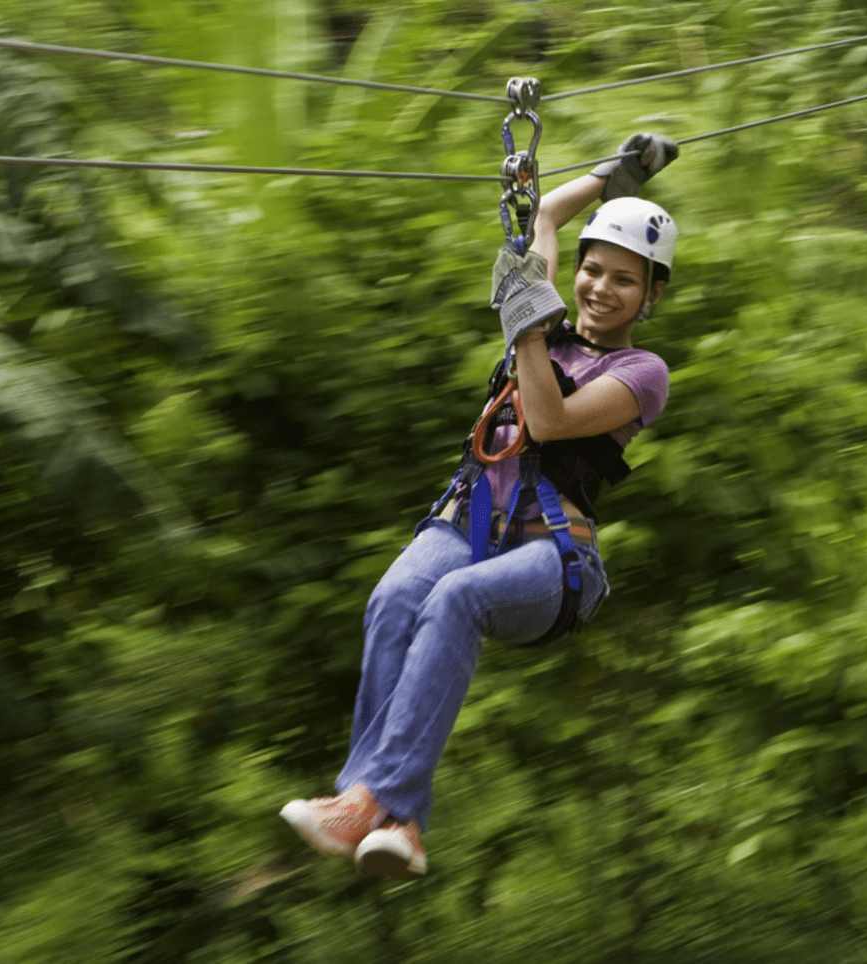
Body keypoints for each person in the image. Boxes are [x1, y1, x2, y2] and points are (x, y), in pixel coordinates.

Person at [280, 132, 680, 879]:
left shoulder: (642, 371)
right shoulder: (551, 325)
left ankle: (376, 801)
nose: (598, 288)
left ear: (651, 295)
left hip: (553, 556)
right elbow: (547, 223)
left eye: (625, 281)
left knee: (457, 599)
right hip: (471, 515)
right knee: (396, 597)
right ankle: (393, 821)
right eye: (592, 272)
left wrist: (527, 318)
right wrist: (612, 176)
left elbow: (551, 422)